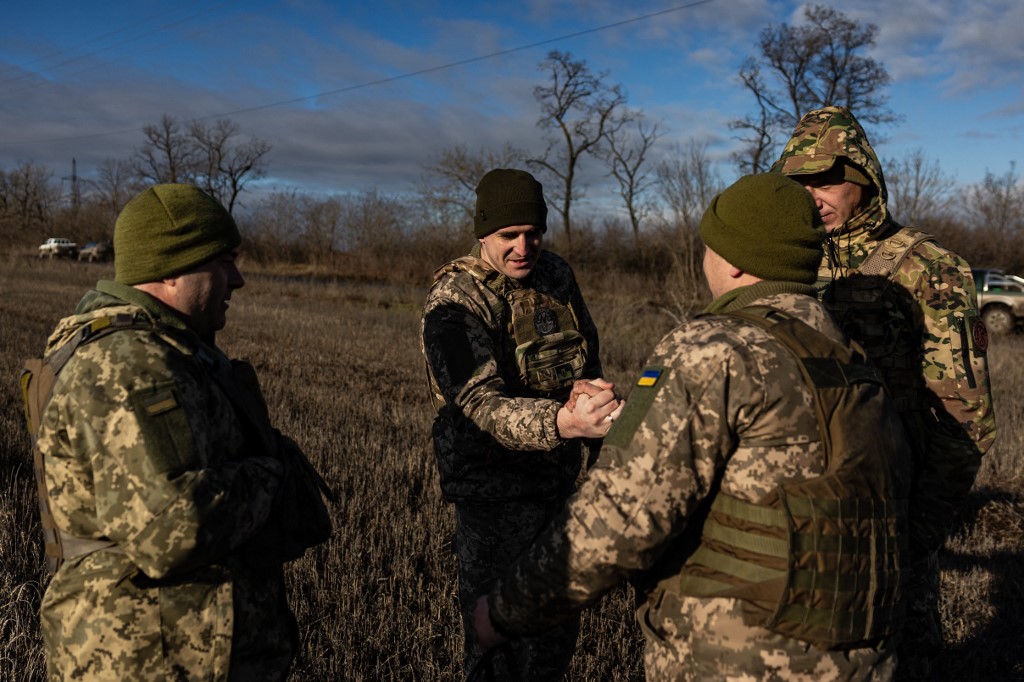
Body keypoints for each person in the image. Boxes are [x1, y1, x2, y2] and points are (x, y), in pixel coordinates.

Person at [472, 173, 914, 680]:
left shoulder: (714, 349)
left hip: (741, 661)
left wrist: (506, 610)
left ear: (733, 259)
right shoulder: (851, 360)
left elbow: (619, 515)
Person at [28, 184, 332, 681]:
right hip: (147, 659)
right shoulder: (130, 363)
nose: (237, 280)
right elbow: (170, 529)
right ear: (170, 269)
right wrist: (273, 474)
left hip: (175, 651)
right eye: (223, 261)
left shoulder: (168, 351)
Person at [771, 106, 997, 679]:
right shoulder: (785, 264)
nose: (812, 195)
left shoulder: (929, 269)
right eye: (798, 182)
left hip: (891, 518)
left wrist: (915, 535)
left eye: (826, 179)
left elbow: (965, 420)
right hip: (801, 522)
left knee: (901, 659)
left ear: (865, 179)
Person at [420, 168, 621, 680]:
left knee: (554, 638)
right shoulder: (454, 300)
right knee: (498, 649)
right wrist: (564, 423)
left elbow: (587, 359)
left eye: (534, 233)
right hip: (494, 497)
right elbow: (480, 403)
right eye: (509, 235)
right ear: (483, 232)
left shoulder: (556, 276)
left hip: (557, 486)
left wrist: (592, 399)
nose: (523, 247)